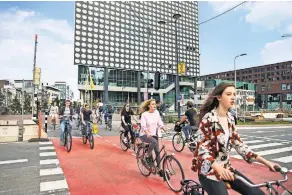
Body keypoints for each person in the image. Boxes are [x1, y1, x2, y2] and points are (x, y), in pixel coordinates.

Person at [192, 82, 279, 195]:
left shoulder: (230, 118)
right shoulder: (208, 119)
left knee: (257, 193)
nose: (233, 97)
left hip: (227, 169)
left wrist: (266, 162)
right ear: (218, 97)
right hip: (209, 171)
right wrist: (218, 168)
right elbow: (202, 150)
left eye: (234, 94)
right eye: (228, 94)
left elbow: (240, 145)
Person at [139, 99, 167, 178]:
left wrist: (163, 127)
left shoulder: (157, 113)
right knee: (154, 141)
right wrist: (147, 132)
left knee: (158, 151)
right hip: (144, 135)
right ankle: (147, 155)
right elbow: (143, 126)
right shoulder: (145, 114)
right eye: (152, 104)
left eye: (155, 104)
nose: (154, 106)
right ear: (148, 106)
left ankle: (159, 169)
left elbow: (159, 122)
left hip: (154, 134)